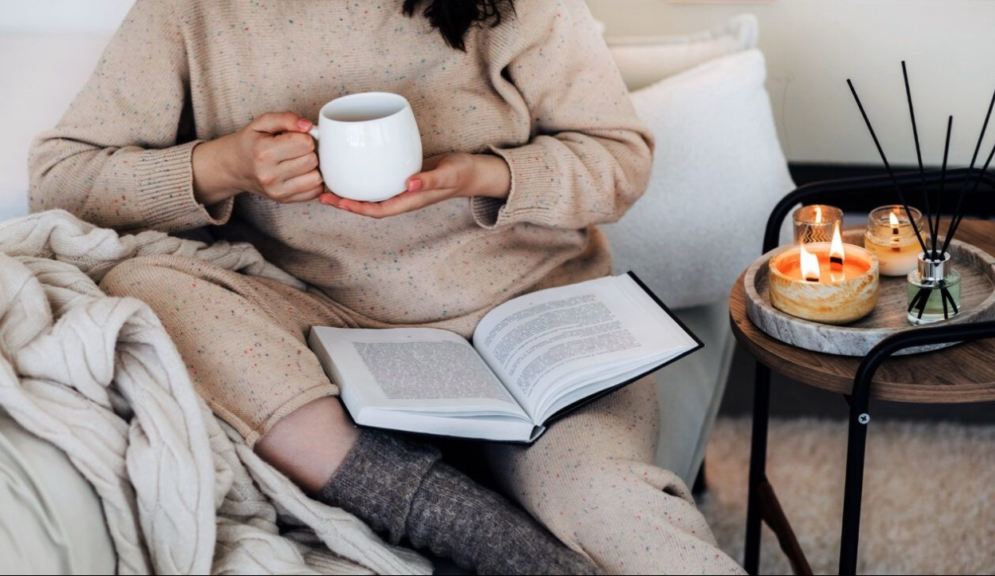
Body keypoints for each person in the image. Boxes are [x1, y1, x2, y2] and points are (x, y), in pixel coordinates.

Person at [29, 0, 744, 574]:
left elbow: (620, 157)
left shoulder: (524, 8)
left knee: (611, 503)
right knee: (144, 285)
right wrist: (223, 167)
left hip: (532, 321)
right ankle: (476, 533)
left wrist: (485, 174)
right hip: (321, 328)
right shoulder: (189, 13)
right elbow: (61, 180)